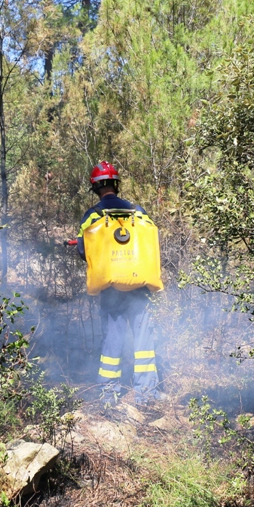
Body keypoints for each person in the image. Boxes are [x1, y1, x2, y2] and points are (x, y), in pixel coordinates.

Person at [77, 161, 163, 406]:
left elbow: (83, 250)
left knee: (112, 340)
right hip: (140, 289)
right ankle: (147, 394)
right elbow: (149, 244)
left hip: (111, 291)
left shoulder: (93, 215)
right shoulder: (138, 212)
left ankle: (109, 393)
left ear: (95, 187)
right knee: (144, 341)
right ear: (116, 184)